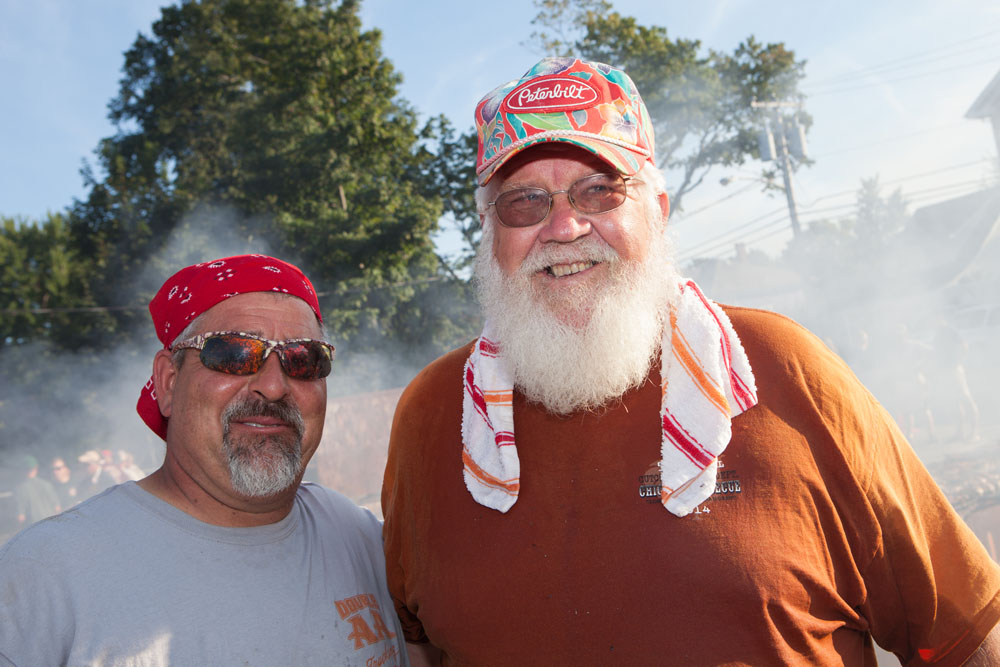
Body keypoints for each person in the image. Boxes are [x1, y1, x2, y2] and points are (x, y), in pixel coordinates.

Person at [381, 58, 1000, 666]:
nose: (565, 226)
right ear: (489, 230)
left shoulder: (785, 369)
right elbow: (419, 644)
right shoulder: (433, 415)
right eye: (524, 203)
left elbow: (963, 636)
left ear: (658, 208)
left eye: (600, 190)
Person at [1, 254, 406, 666]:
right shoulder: (46, 575)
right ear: (168, 382)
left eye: (304, 359)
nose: (272, 386)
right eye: (234, 353)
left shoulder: (361, 539)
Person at [11, 455, 60, 528]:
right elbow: (57, 508)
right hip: (50, 524)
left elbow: (20, 518)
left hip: (34, 528)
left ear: (22, 470)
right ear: (36, 468)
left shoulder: (20, 489)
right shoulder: (46, 484)